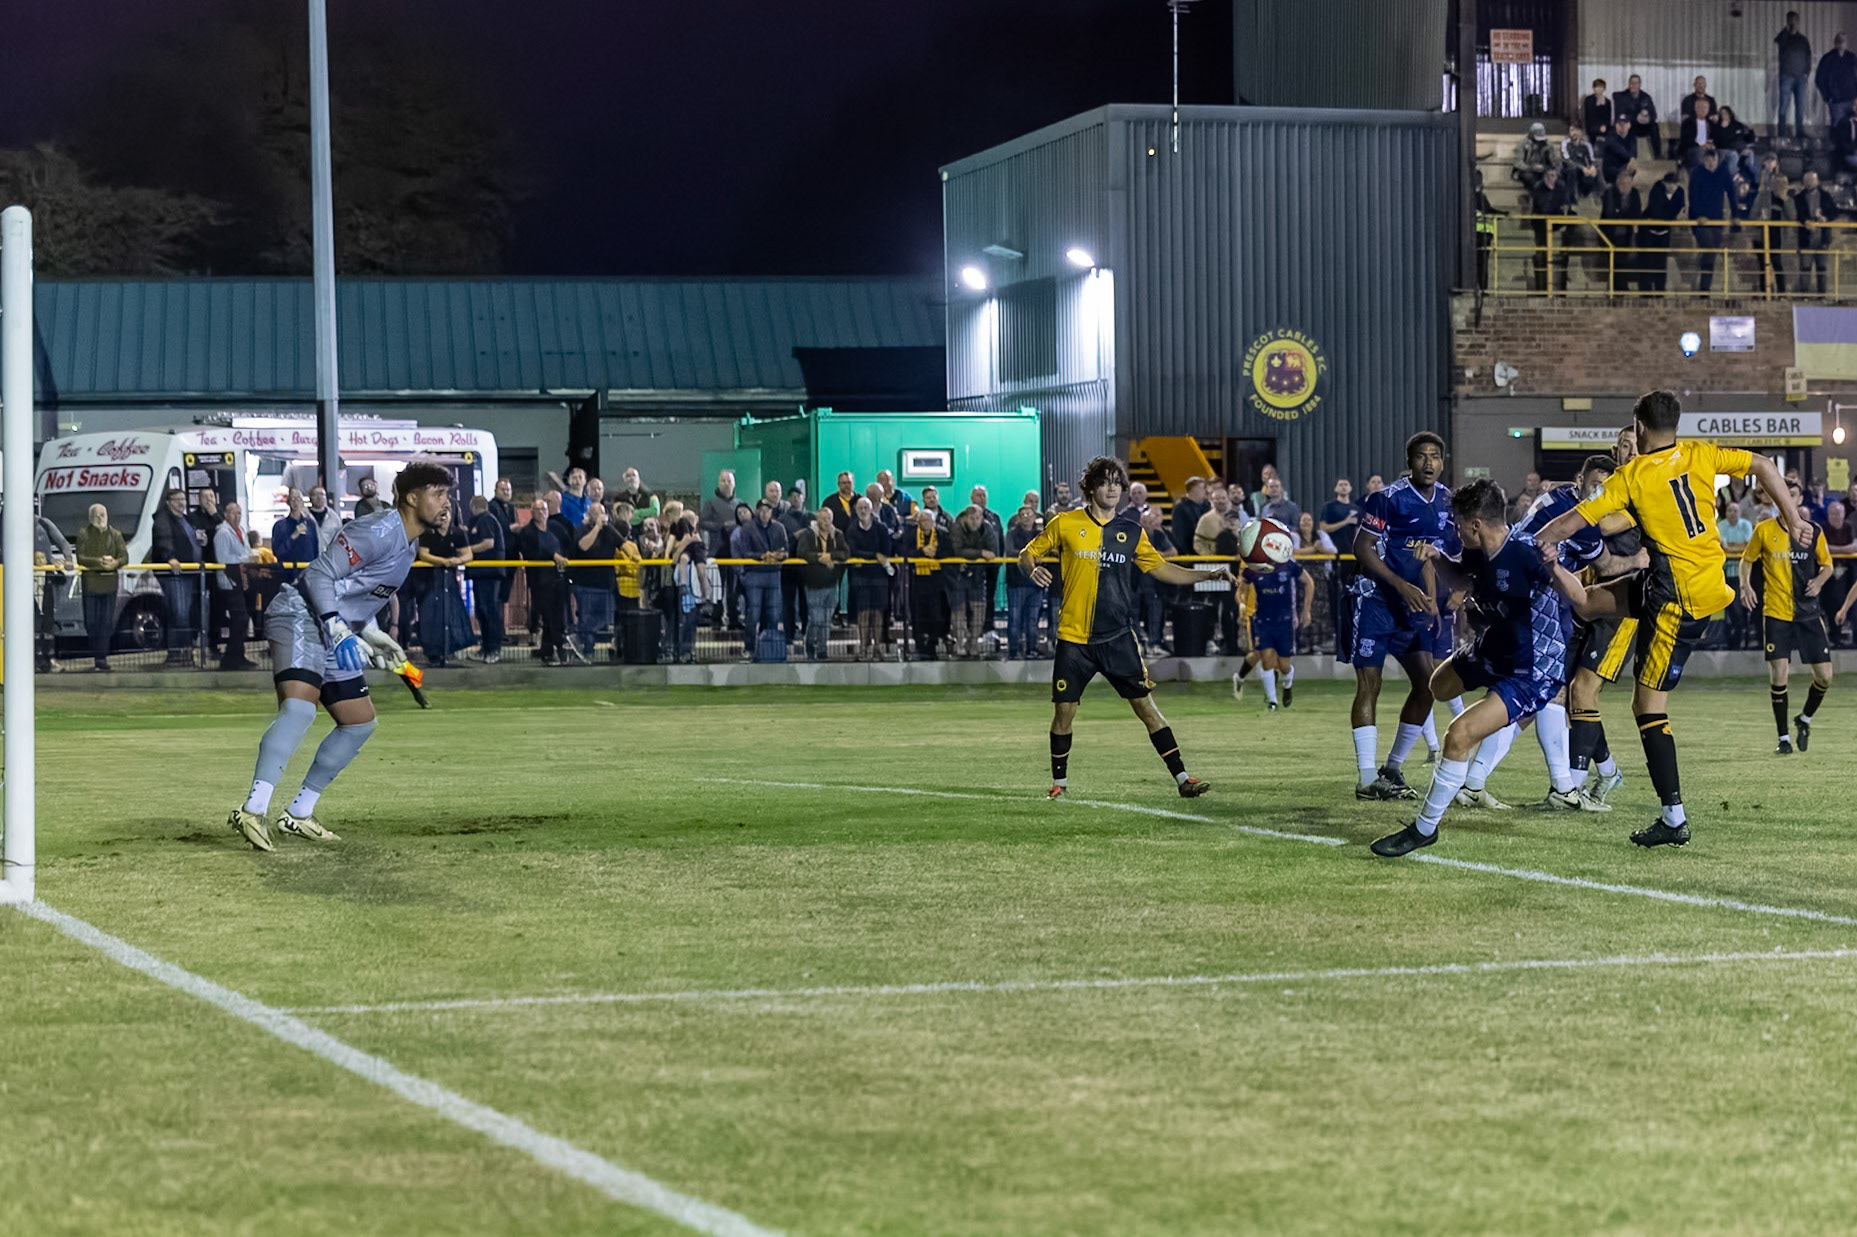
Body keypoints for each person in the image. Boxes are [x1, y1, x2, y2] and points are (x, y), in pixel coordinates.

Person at [1535, 389, 1809, 848]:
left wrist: (1534, 539)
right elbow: (1762, 464)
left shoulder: (1634, 476)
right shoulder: (1700, 454)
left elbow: (1581, 522)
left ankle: (1674, 818)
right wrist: (1793, 513)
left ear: (1638, 428)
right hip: (1694, 580)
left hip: (1676, 601)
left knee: (1647, 708)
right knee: (1589, 603)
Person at [226, 463, 453, 852]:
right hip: (300, 614)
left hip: (335, 627)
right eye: (438, 494)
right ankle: (251, 810)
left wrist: (370, 632)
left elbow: (356, 592)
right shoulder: (379, 530)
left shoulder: (409, 545)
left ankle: (298, 814)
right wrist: (336, 626)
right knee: (299, 712)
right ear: (412, 498)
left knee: (359, 723)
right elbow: (318, 577)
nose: (447, 504)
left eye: (448, 495)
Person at [1369, 481, 1593, 857]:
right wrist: (1436, 557)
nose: (1455, 530)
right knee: (1437, 686)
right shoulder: (1477, 551)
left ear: (1475, 525)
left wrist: (1554, 566)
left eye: (1457, 524)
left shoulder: (1525, 553)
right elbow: (1460, 577)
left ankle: (1424, 829)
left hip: (1531, 671)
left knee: (1459, 735)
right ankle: (1480, 757)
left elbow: (1579, 597)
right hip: (1494, 650)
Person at [1018, 456, 1232, 799]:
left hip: (1118, 637)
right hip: (1074, 640)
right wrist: (1031, 567)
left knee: (1147, 709)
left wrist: (1207, 573)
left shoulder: (1132, 531)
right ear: (1089, 489)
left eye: (1117, 481)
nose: (1113, 487)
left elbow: (1162, 569)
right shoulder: (1065, 523)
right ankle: (1060, 784)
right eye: (1105, 482)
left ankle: (1183, 779)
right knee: (1063, 713)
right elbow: (1027, 553)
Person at [1348, 433, 1458, 801]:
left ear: (1443, 461)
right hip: (1378, 602)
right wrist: (1400, 585)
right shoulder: (1387, 498)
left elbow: (1440, 555)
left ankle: (1392, 769)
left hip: (1414, 608)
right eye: (1422, 456)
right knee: (1370, 685)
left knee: (1428, 685)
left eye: (1435, 456)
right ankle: (1366, 779)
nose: (1429, 462)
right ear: (1409, 462)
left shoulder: (1447, 500)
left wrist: (1441, 597)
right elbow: (1362, 548)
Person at [1742, 481, 1834, 755]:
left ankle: (1803, 719)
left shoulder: (1813, 531)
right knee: (1779, 674)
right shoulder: (1764, 529)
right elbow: (1747, 560)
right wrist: (1745, 585)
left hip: (1808, 613)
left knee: (1825, 677)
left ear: (1800, 498)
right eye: (1782, 495)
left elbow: (1827, 565)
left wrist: (1819, 580)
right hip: (1776, 613)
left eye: (1792, 495)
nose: (1786, 499)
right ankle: (1783, 738)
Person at [1232, 552, 1310, 711]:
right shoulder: (1253, 566)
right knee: (1266, 658)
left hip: (1284, 621)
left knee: (1283, 665)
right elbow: (1241, 590)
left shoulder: (1288, 564)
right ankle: (1272, 701)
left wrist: (1306, 611)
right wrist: (1241, 604)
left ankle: (1287, 684)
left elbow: (1309, 582)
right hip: (1261, 620)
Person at [416, 506, 474, 668]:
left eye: (446, 514)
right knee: (430, 615)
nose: (443, 517)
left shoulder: (458, 533)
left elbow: (468, 554)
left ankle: (450, 649)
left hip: (449, 580)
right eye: (440, 514)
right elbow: (423, 554)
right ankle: (433, 653)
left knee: (451, 613)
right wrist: (443, 562)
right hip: (428, 581)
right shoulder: (428, 533)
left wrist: (456, 561)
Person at [151, 486, 203, 666]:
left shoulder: (187, 520)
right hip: (175, 574)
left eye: (183, 499)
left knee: (185, 613)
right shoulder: (163, 520)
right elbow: (163, 539)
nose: (182, 503)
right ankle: (176, 653)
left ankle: (185, 652)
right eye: (178, 500)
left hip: (190, 573)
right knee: (178, 612)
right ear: (168, 503)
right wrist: (170, 557)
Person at [567, 502, 626, 660]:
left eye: (601, 511)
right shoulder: (582, 529)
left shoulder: (610, 530)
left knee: (605, 617)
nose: (599, 514)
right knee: (586, 616)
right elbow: (583, 546)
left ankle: (578, 637)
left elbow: (624, 545)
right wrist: (597, 527)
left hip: (605, 583)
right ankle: (586, 649)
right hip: (585, 583)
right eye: (594, 512)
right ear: (589, 514)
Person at [515, 496, 568, 664]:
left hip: (558, 579)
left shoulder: (556, 528)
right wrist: (553, 555)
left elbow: (568, 544)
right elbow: (531, 553)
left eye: (545, 509)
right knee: (547, 616)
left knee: (558, 616)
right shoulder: (527, 532)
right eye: (538, 509)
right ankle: (555, 648)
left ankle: (549, 650)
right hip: (539, 581)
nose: (542, 512)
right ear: (532, 512)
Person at [74, 503, 128, 672]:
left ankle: (101, 658)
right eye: (97, 515)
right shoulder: (83, 534)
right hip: (90, 584)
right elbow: (80, 557)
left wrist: (115, 563)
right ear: (90, 517)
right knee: (91, 621)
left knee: (106, 622)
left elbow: (124, 556)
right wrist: (100, 562)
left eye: (103, 514)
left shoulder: (116, 534)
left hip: (110, 584)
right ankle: (97, 656)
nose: (100, 518)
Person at [944, 504, 1001, 659]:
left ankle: (973, 642)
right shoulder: (957, 527)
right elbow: (958, 550)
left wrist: (973, 557)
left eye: (978, 518)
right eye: (972, 518)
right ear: (965, 517)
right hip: (957, 574)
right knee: (959, 611)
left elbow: (994, 552)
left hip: (978, 574)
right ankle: (960, 643)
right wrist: (980, 553)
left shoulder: (987, 528)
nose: (975, 521)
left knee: (979, 610)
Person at [734, 498, 788, 660]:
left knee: (773, 614)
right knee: (754, 614)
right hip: (755, 574)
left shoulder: (779, 527)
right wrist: (763, 556)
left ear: (772, 511)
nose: (765, 513)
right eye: (762, 510)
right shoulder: (747, 528)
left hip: (773, 574)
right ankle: (750, 648)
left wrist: (778, 556)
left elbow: (787, 550)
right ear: (757, 511)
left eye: (768, 510)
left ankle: (769, 648)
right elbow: (745, 552)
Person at [794, 504, 848, 661]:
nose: (826, 521)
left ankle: (823, 650)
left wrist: (830, 556)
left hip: (832, 584)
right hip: (814, 584)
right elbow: (802, 553)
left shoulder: (838, 534)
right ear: (817, 519)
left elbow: (845, 552)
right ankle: (809, 644)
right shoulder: (808, 534)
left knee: (826, 620)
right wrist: (820, 558)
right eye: (823, 518)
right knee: (816, 619)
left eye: (829, 518)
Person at [845, 496, 892, 661]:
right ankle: (864, 648)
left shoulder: (881, 528)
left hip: (879, 577)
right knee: (863, 614)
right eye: (860, 508)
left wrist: (871, 558)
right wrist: (874, 556)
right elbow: (853, 551)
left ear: (871, 510)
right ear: (856, 511)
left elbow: (886, 551)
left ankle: (877, 648)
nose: (863, 511)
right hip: (860, 578)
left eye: (866, 508)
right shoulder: (852, 530)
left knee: (877, 614)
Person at [212, 502, 258, 670]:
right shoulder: (223, 533)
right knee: (240, 618)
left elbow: (245, 551)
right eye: (233, 513)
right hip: (229, 581)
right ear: (226, 514)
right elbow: (223, 558)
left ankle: (238, 654)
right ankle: (231, 657)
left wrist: (246, 557)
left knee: (242, 619)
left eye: (239, 513)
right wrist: (245, 558)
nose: (236, 516)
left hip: (240, 580)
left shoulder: (241, 532)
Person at [463, 494, 506, 663]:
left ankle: (493, 649)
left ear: (473, 507)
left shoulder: (486, 520)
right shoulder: (483, 520)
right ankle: (487, 648)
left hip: (489, 573)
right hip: (481, 573)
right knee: (483, 611)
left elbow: (488, 543)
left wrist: (467, 550)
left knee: (490, 611)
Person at [1688, 147, 1736, 293]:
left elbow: (1732, 193)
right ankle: (1704, 289)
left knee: (1711, 254)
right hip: (1701, 222)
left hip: (1717, 221)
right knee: (1709, 250)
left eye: (1713, 159)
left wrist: (1736, 215)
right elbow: (1693, 197)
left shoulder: (1723, 172)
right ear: (1704, 160)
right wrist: (1697, 216)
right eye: (1708, 160)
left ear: (1717, 160)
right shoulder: (1697, 173)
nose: (1710, 163)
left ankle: (1705, 287)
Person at [906, 505, 949, 659]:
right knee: (918, 613)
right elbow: (905, 553)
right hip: (917, 579)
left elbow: (949, 553)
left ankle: (933, 644)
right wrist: (922, 552)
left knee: (936, 613)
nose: (926, 523)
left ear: (934, 521)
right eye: (922, 520)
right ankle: (919, 645)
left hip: (936, 579)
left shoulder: (942, 534)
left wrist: (935, 554)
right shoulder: (911, 535)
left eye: (928, 520)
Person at [1004, 502, 1045, 660]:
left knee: (1033, 619)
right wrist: (1030, 555)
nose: (1026, 517)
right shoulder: (1012, 533)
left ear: (1035, 517)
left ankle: (1032, 649)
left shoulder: (1040, 534)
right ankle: (1013, 650)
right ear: (1018, 518)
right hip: (1016, 582)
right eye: (1023, 515)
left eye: (1029, 514)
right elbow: (1010, 551)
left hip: (1035, 583)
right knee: (1015, 618)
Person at [1718, 500, 1756, 650]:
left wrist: (1731, 548)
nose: (1733, 513)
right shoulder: (1720, 526)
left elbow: (1748, 547)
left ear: (1740, 512)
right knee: (1731, 609)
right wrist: (1737, 548)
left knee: (1740, 608)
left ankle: (1741, 638)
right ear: (1725, 512)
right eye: (1730, 510)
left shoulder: (1746, 525)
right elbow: (1722, 548)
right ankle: (1734, 639)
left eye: (1735, 510)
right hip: (1725, 574)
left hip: (1743, 576)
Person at [1600, 165, 1644, 292]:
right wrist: (1624, 215)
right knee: (1618, 252)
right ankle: (1619, 288)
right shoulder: (1609, 193)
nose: (1624, 185)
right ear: (1618, 181)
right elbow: (1610, 214)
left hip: (1627, 233)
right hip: (1609, 233)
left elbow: (1636, 213)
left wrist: (1624, 216)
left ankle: (1621, 287)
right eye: (1622, 181)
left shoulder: (1634, 193)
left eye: (1627, 182)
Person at [1641, 170, 1685, 294]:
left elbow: (1680, 209)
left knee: (1661, 262)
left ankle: (1660, 290)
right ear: (1664, 182)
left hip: (1665, 231)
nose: (1671, 187)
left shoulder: (1679, 192)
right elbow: (1657, 212)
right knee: (1649, 261)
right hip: (1649, 231)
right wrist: (1673, 216)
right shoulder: (1656, 190)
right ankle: (1647, 291)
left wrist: (1672, 216)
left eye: (1674, 184)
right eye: (1668, 183)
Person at [1795, 170, 1837, 295]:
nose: (1809, 182)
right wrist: (1804, 221)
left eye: (1812, 180)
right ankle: (1804, 295)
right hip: (1806, 239)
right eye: (1807, 180)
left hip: (1822, 238)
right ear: (1803, 182)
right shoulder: (1799, 198)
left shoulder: (1825, 196)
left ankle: (1821, 295)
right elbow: (1796, 214)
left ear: (1817, 181)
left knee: (1822, 268)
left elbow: (1834, 211)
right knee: (1805, 268)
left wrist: (1826, 218)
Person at [270, 490, 319, 584]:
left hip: (307, 574)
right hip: (286, 574)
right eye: (292, 499)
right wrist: (293, 537)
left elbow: (315, 550)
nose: (296, 502)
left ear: (302, 502)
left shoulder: (310, 524)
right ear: (288, 502)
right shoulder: (280, 526)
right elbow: (277, 552)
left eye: (298, 499)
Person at [1778, 11, 1813, 138]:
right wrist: (1787, 30)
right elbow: (1779, 42)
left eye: (1795, 20)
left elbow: (1808, 56)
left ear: (1798, 22)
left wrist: (1806, 73)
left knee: (1800, 107)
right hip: (1786, 76)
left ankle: (1800, 133)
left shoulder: (1803, 40)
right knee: (1783, 107)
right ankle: (1781, 134)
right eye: (1790, 20)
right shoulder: (1784, 37)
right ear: (1787, 21)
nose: (1793, 23)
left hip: (1800, 78)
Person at [1614, 74, 1661, 159]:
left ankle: (1658, 156)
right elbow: (1620, 114)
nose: (1634, 85)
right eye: (1632, 83)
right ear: (1629, 84)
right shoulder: (1622, 97)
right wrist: (1636, 117)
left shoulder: (1646, 97)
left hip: (1643, 126)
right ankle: (1632, 158)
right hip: (1631, 124)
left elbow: (1654, 114)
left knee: (1654, 127)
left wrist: (1648, 117)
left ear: (1640, 84)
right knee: (1629, 130)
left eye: (1636, 83)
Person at [1819, 32, 1857, 129]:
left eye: (1843, 41)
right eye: (1839, 41)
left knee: (1851, 128)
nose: (1841, 43)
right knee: (1837, 128)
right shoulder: (1827, 59)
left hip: (1850, 100)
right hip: (1836, 101)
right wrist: (1828, 97)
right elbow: (1820, 79)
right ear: (1835, 43)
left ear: (1846, 43)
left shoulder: (1852, 58)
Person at [1511, 121, 1562, 191]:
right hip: (1526, 170)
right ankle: (1538, 198)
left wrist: (1554, 169)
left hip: (1543, 170)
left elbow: (1554, 160)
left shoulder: (1547, 145)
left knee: (1557, 181)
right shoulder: (1522, 144)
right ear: (1531, 134)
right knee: (1531, 179)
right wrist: (1532, 168)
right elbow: (1517, 163)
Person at [1562, 120, 1600, 199]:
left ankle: (1597, 197)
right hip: (1570, 169)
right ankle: (1571, 198)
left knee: (1596, 171)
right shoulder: (1565, 143)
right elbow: (1567, 160)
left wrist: (1593, 167)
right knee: (1572, 170)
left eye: (1577, 130)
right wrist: (1582, 168)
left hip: (1584, 169)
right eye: (1572, 130)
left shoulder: (1587, 145)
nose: (1574, 133)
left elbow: (1592, 159)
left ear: (1581, 132)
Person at [1172, 476, 1209, 551]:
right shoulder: (1180, 507)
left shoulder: (1207, 505)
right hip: (1188, 550)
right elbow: (1179, 533)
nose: (1205, 491)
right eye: (1202, 488)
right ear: (1193, 490)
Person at [1600, 114, 1637, 186]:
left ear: (1629, 125)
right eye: (1619, 124)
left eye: (1624, 124)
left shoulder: (1632, 137)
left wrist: (1632, 159)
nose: (1622, 126)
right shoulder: (1610, 137)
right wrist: (1631, 158)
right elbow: (1621, 152)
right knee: (1629, 166)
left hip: (1624, 167)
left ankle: (1626, 184)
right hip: (1611, 170)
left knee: (1632, 167)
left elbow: (1634, 151)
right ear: (1616, 126)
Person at [1581, 79, 1614, 143]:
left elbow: (1608, 117)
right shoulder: (1588, 100)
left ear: (1604, 89)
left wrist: (1605, 126)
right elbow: (1588, 116)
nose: (1598, 89)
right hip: (1591, 128)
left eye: (1601, 87)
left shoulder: (1607, 102)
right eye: (1596, 87)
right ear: (1593, 88)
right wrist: (1597, 104)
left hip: (1603, 128)